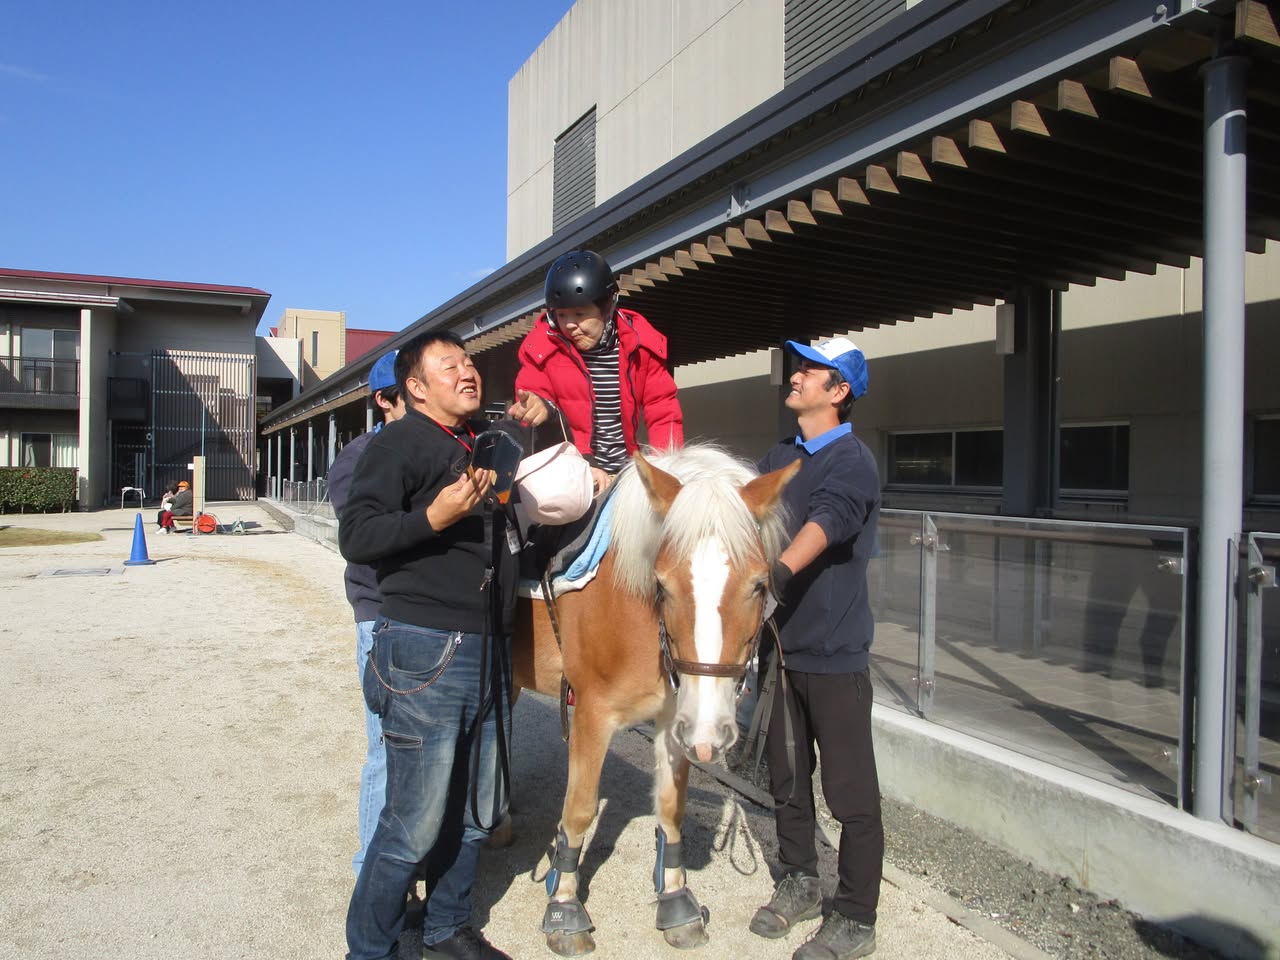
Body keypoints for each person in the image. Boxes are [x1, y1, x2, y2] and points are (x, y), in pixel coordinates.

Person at [338, 330, 516, 960]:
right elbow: (357, 535)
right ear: (414, 388)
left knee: (474, 809)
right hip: (425, 649)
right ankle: (371, 948)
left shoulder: (474, 446)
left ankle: (446, 929)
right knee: (410, 822)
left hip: (490, 647)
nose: (468, 372)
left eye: (468, 362)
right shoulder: (399, 442)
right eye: (450, 366)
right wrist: (432, 518)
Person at [750, 337, 882, 960]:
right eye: (799, 367)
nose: (797, 376)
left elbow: (826, 523)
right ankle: (800, 879)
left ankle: (856, 916)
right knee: (787, 781)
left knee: (851, 796)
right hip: (779, 651)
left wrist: (775, 574)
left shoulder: (851, 460)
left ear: (840, 391)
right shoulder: (780, 454)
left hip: (834, 656)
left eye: (812, 371)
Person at [507, 249, 683, 495]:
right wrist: (539, 407)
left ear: (608, 306)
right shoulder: (541, 349)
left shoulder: (640, 345)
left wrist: (665, 470)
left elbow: (662, 411)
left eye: (580, 314)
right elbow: (533, 399)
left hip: (627, 471)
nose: (569, 325)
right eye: (561, 315)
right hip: (572, 473)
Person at [327, 349, 405, 878]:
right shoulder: (358, 458)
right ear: (385, 400)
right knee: (385, 748)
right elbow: (362, 534)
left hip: (438, 617)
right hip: (381, 613)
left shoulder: (451, 448)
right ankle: (372, 876)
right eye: (413, 388)